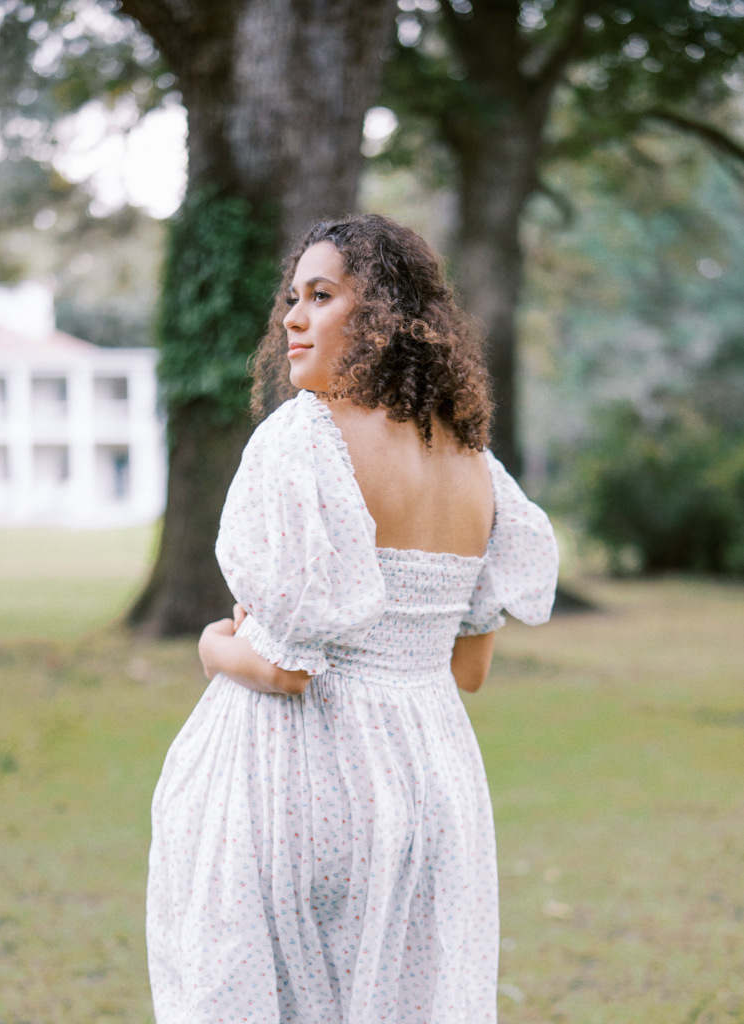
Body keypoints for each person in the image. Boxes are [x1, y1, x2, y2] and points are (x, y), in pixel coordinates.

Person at [146, 214, 558, 1024]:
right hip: (430, 787)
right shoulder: (476, 467)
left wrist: (212, 646)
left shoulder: (304, 441)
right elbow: (466, 671)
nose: (293, 319)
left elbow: (288, 669)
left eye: (322, 296)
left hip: (305, 785)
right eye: (292, 299)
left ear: (383, 316)